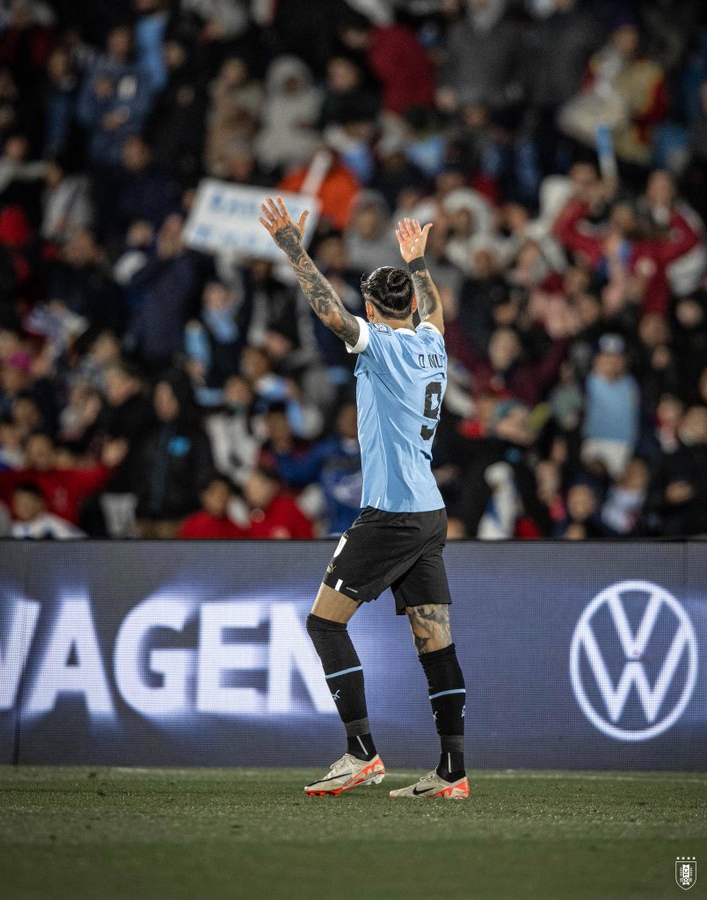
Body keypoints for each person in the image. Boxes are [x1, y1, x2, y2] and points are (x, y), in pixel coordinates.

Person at [259, 196, 469, 800]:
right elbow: (435, 309)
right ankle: (452, 772)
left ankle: (361, 753)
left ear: (374, 309)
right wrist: (420, 261)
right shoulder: (432, 342)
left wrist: (294, 250)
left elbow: (331, 315)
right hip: (429, 513)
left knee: (325, 624)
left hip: (394, 514)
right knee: (436, 641)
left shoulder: (380, 344)